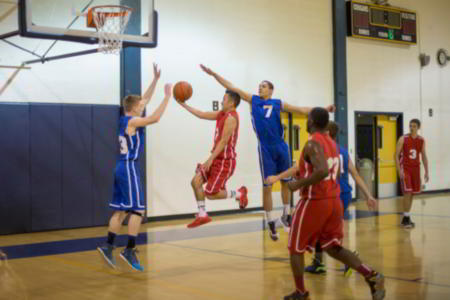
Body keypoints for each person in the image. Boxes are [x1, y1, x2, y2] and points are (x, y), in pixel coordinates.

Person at [200, 64, 334, 241]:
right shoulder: (253, 100)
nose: (260, 87)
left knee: (286, 182)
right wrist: (214, 74)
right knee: (267, 186)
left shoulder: (278, 103)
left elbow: (301, 110)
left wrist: (324, 109)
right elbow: (232, 87)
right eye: (259, 85)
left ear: (271, 90)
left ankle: (286, 215)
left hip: (281, 146)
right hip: (265, 148)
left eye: (264, 86)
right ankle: (270, 221)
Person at [266, 108, 385, 300]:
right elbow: (334, 174)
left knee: (295, 247)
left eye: (307, 118)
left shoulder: (313, 143)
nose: (306, 120)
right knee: (332, 247)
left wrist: (298, 184)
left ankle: (300, 292)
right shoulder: (334, 145)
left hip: (315, 201)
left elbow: (321, 171)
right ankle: (371, 274)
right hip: (334, 200)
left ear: (312, 121)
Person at [98, 64, 172, 271]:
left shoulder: (125, 118)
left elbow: (144, 99)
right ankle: (129, 250)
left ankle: (108, 246)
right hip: (129, 168)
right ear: (135, 107)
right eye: (141, 104)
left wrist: (155, 80)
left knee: (121, 212)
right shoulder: (134, 121)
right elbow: (155, 118)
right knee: (138, 209)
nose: (144, 104)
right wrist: (167, 97)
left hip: (121, 167)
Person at [303, 121, 377, 276]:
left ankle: (348, 260)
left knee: (325, 231)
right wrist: (368, 195)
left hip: (331, 195)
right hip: (344, 194)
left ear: (327, 133)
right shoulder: (342, 151)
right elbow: (355, 175)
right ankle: (319, 263)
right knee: (325, 230)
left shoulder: (322, 149)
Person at [177, 89, 248, 228]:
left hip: (225, 161)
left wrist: (210, 160)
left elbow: (223, 142)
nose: (222, 101)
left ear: (232, 102)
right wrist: (183, 105)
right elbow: (202, 114)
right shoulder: (222, 114)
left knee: (211, 194)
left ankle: (239, 194)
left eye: (224, 99)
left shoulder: (231, 118)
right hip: (216, 158)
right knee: (195, 182)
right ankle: (202, 215)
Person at [395, 119, 429, 228]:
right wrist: (398, 169)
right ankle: (405, 218)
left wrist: (427, 171)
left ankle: (407, 217)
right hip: (405, 168)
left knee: (412, 193)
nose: (411, 128)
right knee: (407, 193)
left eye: (414, 126)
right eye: (410, 126)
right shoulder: (403, 139)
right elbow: (395, 155)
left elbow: (423, 156)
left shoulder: (421, 140)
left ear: (418, 127)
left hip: (416, 169)